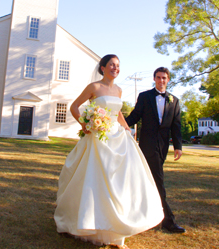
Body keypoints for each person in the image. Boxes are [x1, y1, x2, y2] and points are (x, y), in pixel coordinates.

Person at [54, 55, 164, 249]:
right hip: (97, 138)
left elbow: (117, 112)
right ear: (103, 67)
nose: (116, 68)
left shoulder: (119, 90)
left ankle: (115, 228)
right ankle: (88, 223)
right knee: (94, 179)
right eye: (112, 65)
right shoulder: (93, 88)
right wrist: (85, 124)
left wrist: (126, 128)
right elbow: (74, 107)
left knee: (119, 181)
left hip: (117, 137)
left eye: (118, 65)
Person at [125, 67, 185, 233]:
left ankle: (143, 214)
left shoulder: (175, 101)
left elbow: (176, 126)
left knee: (147, 180)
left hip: (163, 146)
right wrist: (117, 123)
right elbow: (134, 116)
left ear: (168, 80)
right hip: (147, 146)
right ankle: (168, 220)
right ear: (154, 79)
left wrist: (178, 146)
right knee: (158, 181)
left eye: (164, 78)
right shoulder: (145, 96)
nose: (161, 80)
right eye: (158, 77)